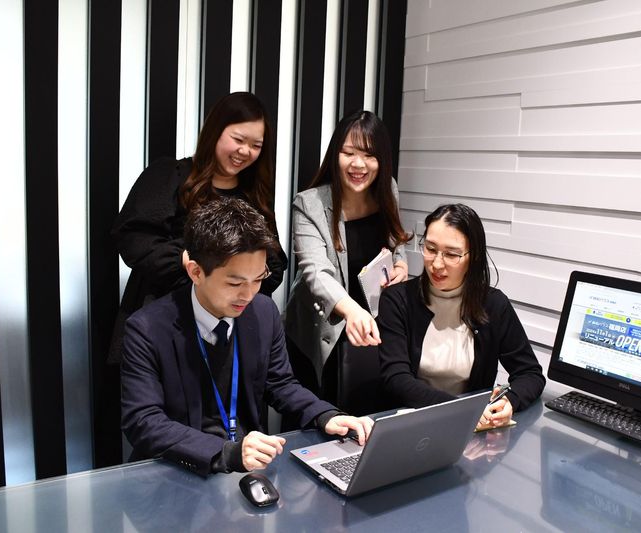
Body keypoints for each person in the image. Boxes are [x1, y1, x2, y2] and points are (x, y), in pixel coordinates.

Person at [120, 197, 373, 475]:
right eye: (235, 283)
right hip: (178, 470)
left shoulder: (263, 312)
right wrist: (226, 453)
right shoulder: (147, 328)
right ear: (196, 271)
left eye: (258, 278)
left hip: (247, 466)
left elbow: (280, 383)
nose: (249, 294)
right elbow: (143, 421)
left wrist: (324, 414)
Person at [108, 92, 288, 363]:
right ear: (214, 131)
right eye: (238, 139)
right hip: (166, 316)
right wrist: (186, 259)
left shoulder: (256, 195)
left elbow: (273, 263)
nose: (245, 151)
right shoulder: (170, 175)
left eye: (256, 145)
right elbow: (133, 237)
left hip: (230, 329)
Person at [283, 110, 410, 411]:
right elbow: (316, 272)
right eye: (348, 153)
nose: (358, 164)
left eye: (369, 155)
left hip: (371, 322)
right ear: (335, 155)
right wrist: (352, 311)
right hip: (323, 328)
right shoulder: (309, 204)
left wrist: (401, 264)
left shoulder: (388, 189)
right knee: (321, 414)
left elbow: (396, 238)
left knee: (369, 411)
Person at [377, 204, 545, 429]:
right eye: (430, 249)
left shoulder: (493, 304)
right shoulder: (398, 299)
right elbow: (397, 379)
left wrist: (509, 401)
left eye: (451, 254)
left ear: (473, 256)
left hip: (472, 431)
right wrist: (463, 410)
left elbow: (530, 373)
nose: (437, 264)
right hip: (410, 425)